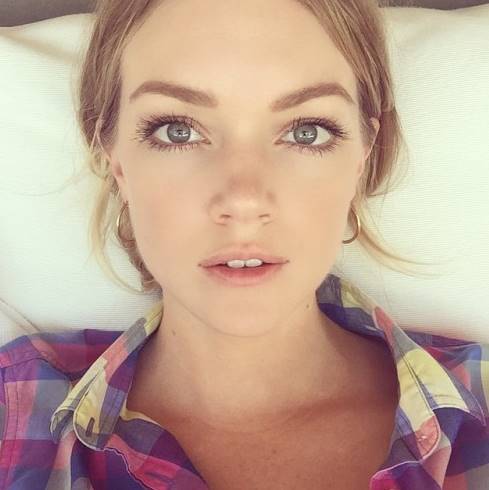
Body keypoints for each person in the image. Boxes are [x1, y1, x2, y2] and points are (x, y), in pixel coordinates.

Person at [0, 0, 488, 489]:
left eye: (306, 132)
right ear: (115, 160)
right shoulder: (15, 409)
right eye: (177, 130)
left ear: (362, 156)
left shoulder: (478, 406)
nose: (244, 200)